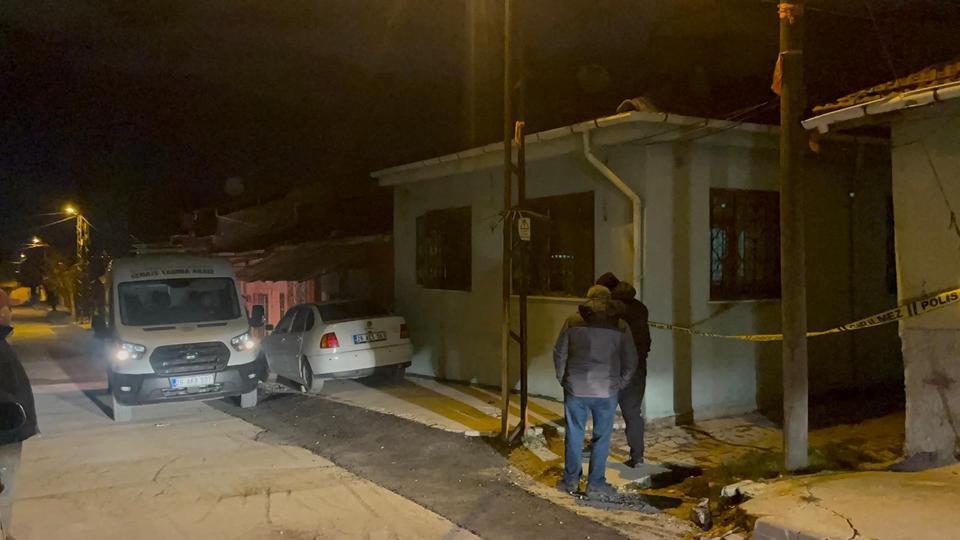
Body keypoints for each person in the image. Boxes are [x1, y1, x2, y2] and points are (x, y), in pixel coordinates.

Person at [553, 285, 638, 499]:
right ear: (609, 300)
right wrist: (620, 383)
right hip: (607, 390)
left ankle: (570, 481)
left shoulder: (573, 321)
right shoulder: (620, 325)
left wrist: (563, 378)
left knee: (574, 434)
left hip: (576, 387)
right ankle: (595, 484)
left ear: (588, 299)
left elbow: (559, 352)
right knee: (602, 437)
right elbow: (631, 359)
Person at [0, 289, 38, 537]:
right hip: (5, 435)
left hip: (9, 431)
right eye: (7, 307)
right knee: (4, 491)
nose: (10, 313)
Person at [611, 280, 651, 467]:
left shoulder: (613, 312)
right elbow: (646, 341)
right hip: (637, 368)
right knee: (633, 412)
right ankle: (637, 456)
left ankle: (595, 448)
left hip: (615, 368)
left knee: (604, 410)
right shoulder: (641, 309)